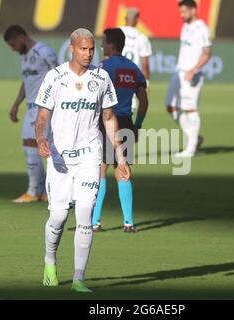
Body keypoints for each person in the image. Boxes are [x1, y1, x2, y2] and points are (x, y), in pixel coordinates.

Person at [34, 28, 131, 292]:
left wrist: (120, 157)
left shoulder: (101, 78)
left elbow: (110, 119)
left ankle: (79, 278)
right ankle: (50, 262)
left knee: (85, 215)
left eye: (92, 49)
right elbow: (41, 117)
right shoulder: (55, 78)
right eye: (83, 49)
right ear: (72, 48)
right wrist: (42, 139)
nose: (89, 54)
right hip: (60, 158)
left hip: (90, 155)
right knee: (58, 217)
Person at [91, 28, 149, 233]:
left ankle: (94, 222)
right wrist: (138, 123)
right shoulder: (134, 68)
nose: (101, 46)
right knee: (123, 170)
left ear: (111, 45)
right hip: (126, 121)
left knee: (101, 170)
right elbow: (144, 99)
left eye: (103, 42)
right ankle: (128, 222)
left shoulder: (104, 67)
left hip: (106, 121)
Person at [4, 25, 58, 202]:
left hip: (44, 107)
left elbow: (61, 76)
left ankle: (34, 191)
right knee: (30, 146)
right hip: (30, 107)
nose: (12, 49)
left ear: (21, 38)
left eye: (13, 45)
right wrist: (16, 104)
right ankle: (42, 192)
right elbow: (26, 81)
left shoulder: (44, 52)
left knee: (32, 145)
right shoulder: (24, 56)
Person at [165, 0, 212, 157]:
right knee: (170, 106)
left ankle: (190, 149)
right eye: (180, 12)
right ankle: (195, 137)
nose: (181, 15)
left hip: (192, 75)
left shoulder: (202, 29)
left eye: (184, 11)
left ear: (193, 10)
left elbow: (207, 53)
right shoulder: (185, 26)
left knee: (190, 109)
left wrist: (194, 69)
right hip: (179, 72)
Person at [120, 7, 152, 113]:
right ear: (137, 20)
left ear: (125, 18)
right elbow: (145, 64)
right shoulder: (142, 38)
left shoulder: (116, 33)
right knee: (127, 116)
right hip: (130, 80)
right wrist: (146, 83)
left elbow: (106, 56)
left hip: (115, 78)